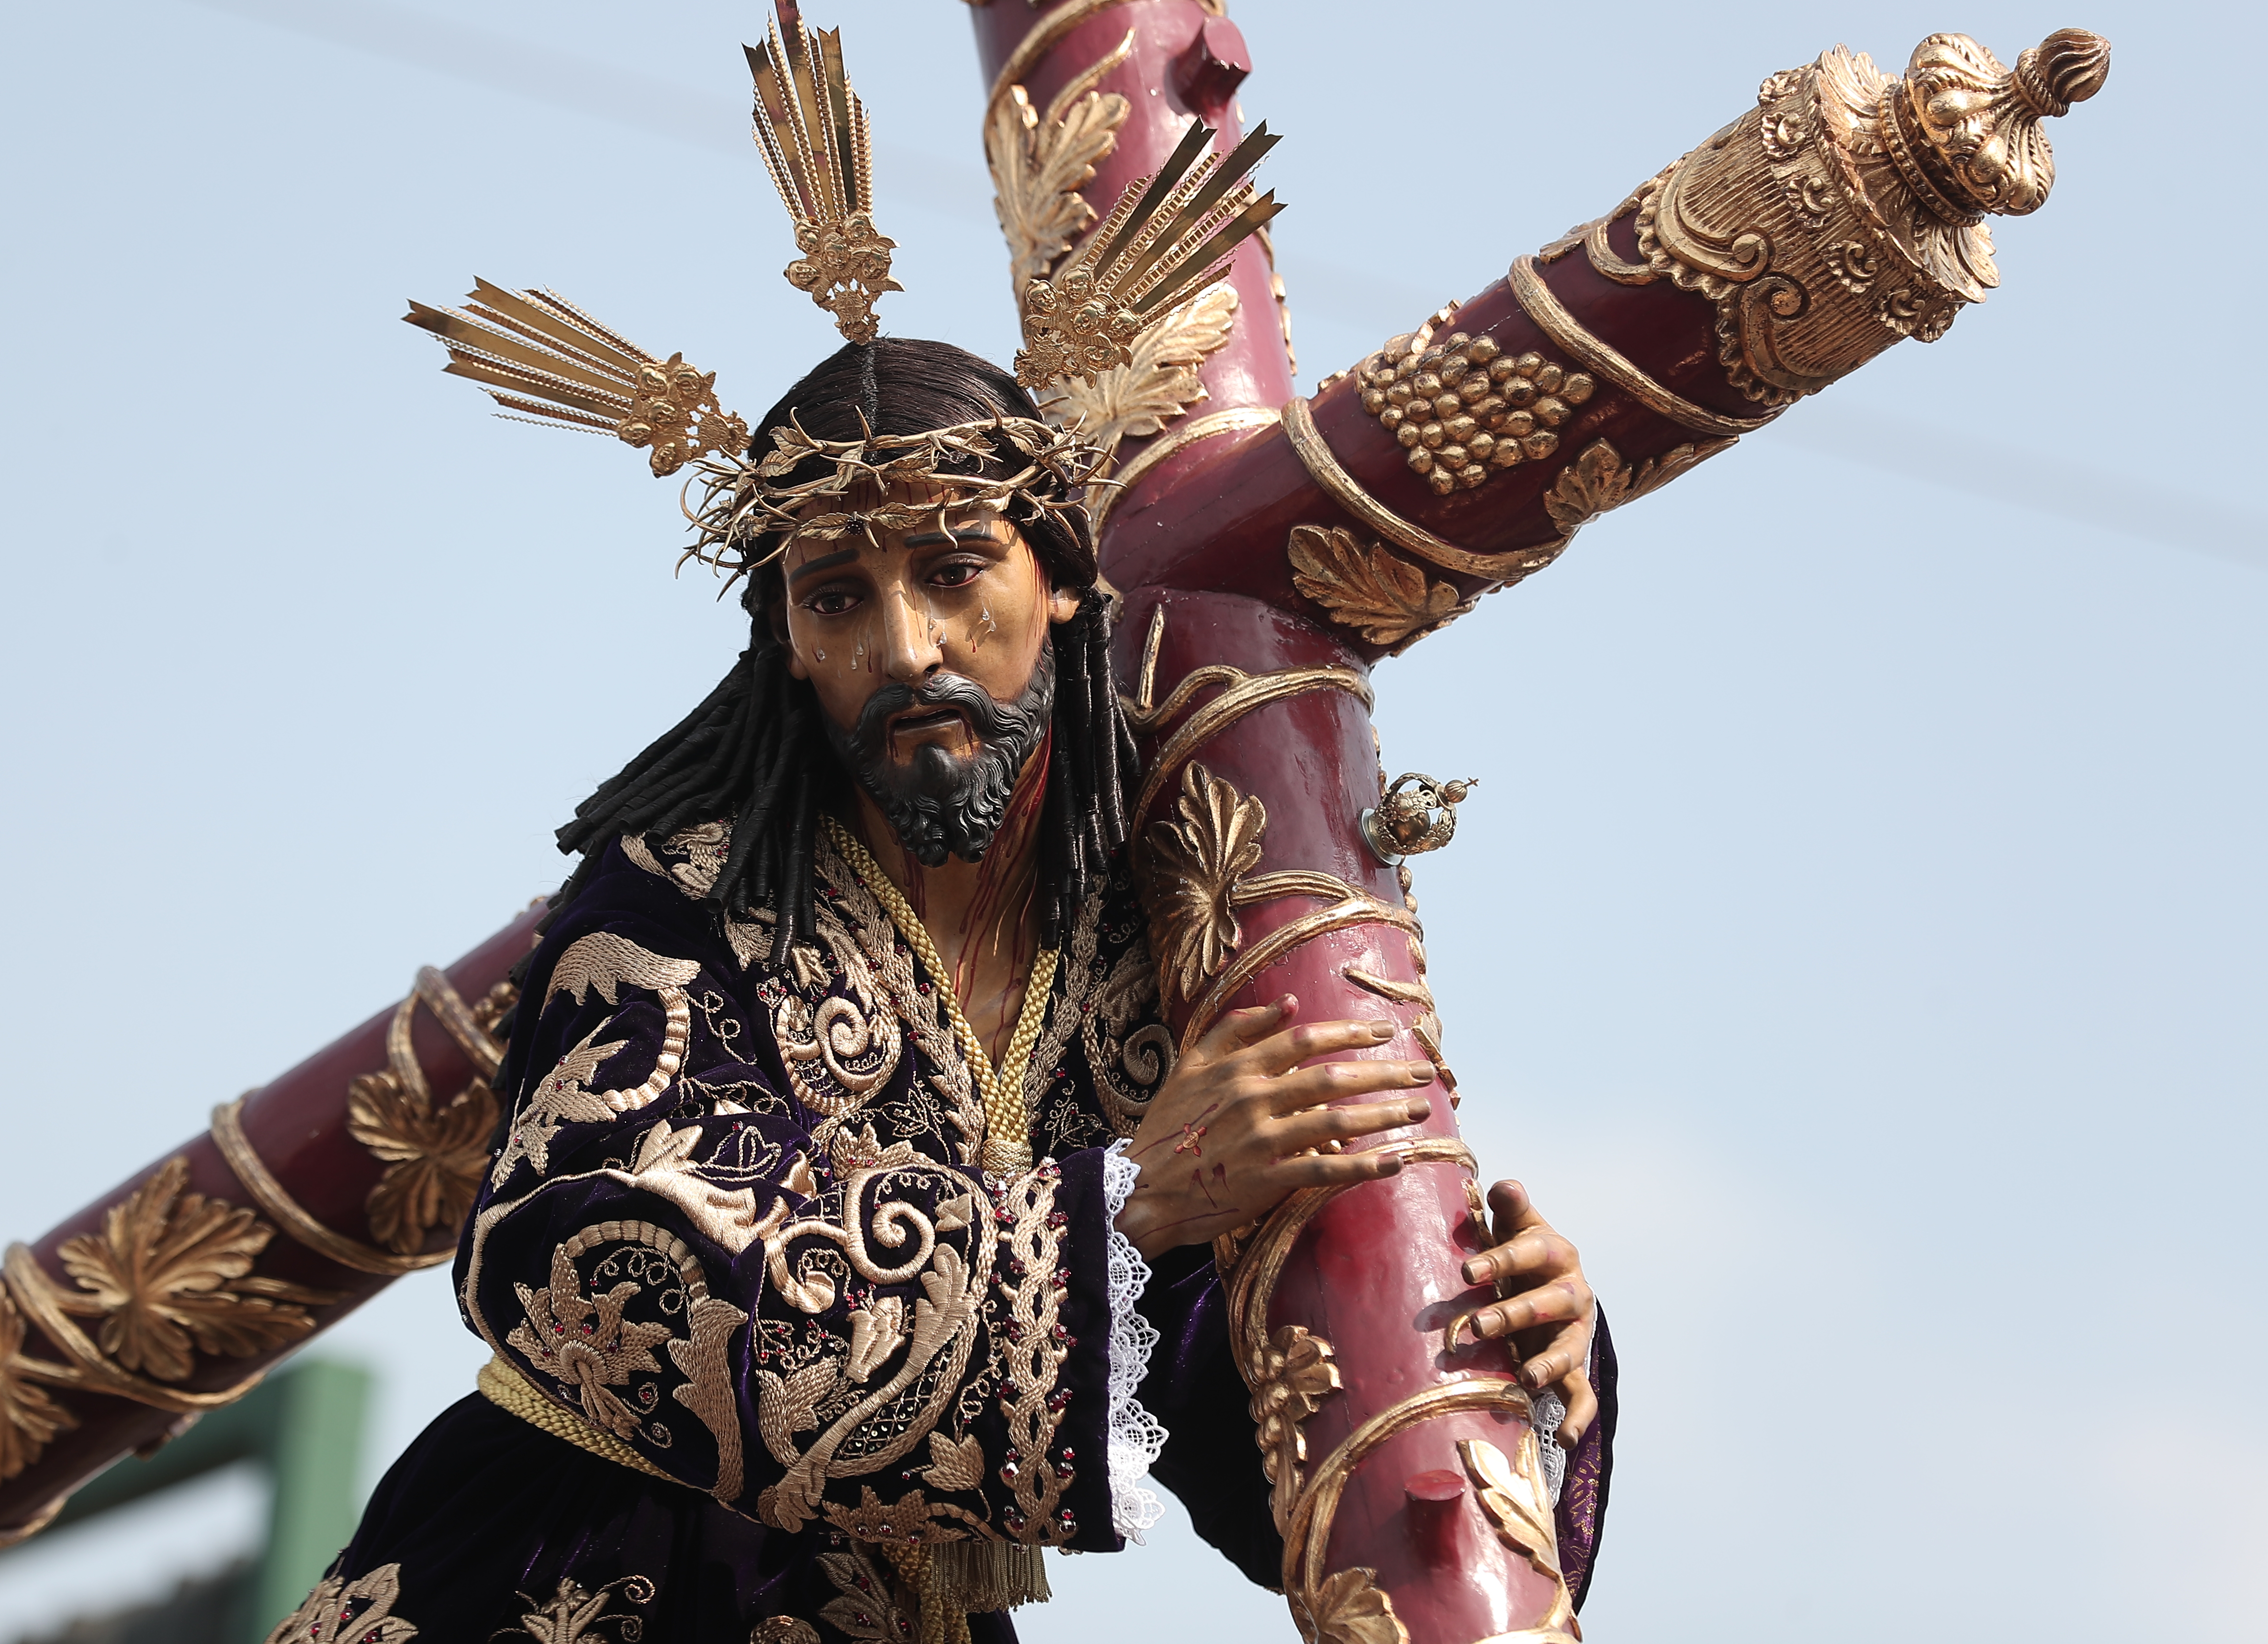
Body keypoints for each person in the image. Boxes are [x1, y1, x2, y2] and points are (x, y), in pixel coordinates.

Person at [267, 335, 1611, 1644]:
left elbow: (1251, 1425)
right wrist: (1128, 1203)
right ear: (788, 635)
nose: (908, 647)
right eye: (839, 596)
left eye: (957, 571)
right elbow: (603, 1265)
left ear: (1062, 580)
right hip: (554, 1576)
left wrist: (1493, 1350)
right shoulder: (679, 897)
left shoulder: (1157, 955)